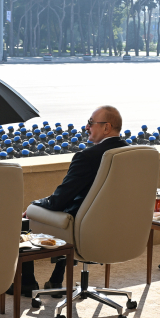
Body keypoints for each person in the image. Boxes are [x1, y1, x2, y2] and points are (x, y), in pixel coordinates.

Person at [25, 106, 127, 292]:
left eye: (90, 123)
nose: (86, 127)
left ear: (106, 127)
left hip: (87, 231)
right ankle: (56, 279)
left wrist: (35, 205)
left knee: (28, 218)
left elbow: (58, 201)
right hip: (123, 231)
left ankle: (27, 283)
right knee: (73, 212)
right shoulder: (134, 155)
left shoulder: (87, 157)